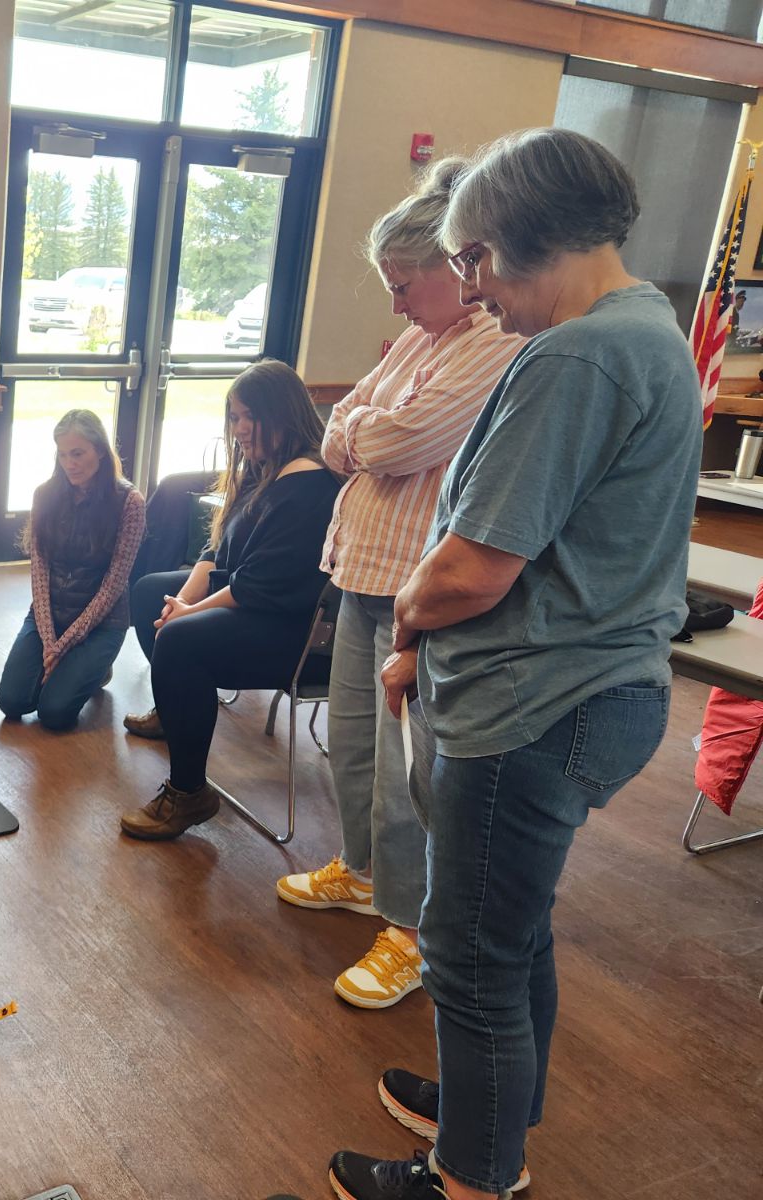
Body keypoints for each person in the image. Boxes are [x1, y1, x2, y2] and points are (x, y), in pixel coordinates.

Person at [326, 128, 701, 1200]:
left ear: (521, 239)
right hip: (596, 689)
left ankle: (471, 1176)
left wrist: (404, 624)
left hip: (538, 703)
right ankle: (493, 1098)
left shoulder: (575, 353)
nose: (473, 289)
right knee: (510, 919)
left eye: (474, 260)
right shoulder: (646, 324)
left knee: (470, 950)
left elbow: (471, 571)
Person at [276, 161, 525, 1012]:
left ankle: (411, 930)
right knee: (351, 741)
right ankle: (363, 871)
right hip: (361, 571)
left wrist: (363, 431)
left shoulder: (495, 340)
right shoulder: (426, 336)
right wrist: (360, 428)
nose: (395, 305)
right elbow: (341, 421)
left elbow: (395, 440)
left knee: (403, 770)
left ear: (453, 269)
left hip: (419, 590)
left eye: (403, 284)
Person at [120, 361, 339, 839]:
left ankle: (188, 792)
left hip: (291, 634)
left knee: (180, 641)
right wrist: (180, 599)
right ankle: (175, 704)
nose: (238, 430)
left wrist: (187, 615)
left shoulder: (308, 485)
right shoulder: (266, 472)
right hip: (251, 600)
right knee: (146, 592)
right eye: (233, 418)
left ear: (282, 415)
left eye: (248, 418)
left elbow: (256, 588)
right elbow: (215, 550)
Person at [0, 409, 146, 731]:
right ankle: (72, 670)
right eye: (63, 454)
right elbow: (39, 572)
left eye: (78, 453)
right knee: (12, 702)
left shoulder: (130, 502)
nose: (69, 463)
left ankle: (97, 666)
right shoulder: (44, 495)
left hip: (101, 625)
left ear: (101, 451)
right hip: (50, 616)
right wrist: (50, 640)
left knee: (55, 714)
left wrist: (63, 646)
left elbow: (113, 586)